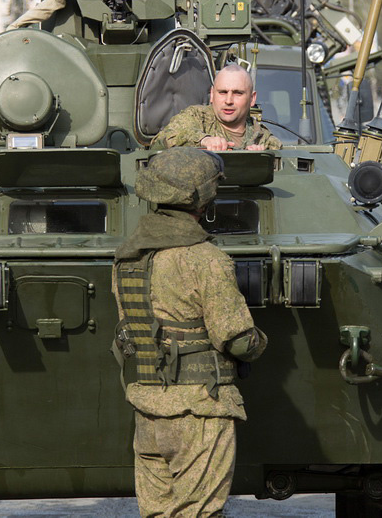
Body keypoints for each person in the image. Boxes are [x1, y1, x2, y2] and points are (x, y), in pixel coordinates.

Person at [111, 147, 268, 518]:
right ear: (204, 198)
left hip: (148, 411)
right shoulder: (205, 259)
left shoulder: (126, 258)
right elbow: (237, 339)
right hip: (199, 412)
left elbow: (131, 330)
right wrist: (262, 342)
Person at [151, 64, 282, 151]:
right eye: (223, 92)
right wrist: (203, 140)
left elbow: (283, 161)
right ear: (212, 94)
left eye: (238, 93)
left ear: (252, 99)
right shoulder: (197, 118)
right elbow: (162, 140)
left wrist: (263, 158)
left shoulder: (261, 137)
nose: (228, 101)